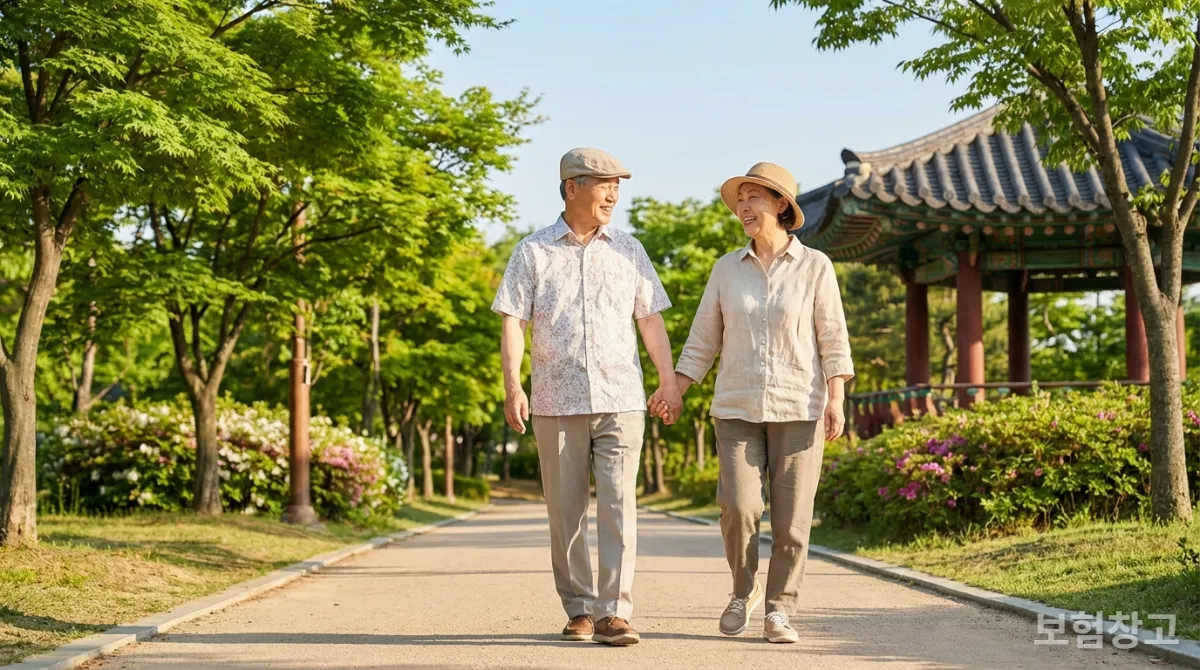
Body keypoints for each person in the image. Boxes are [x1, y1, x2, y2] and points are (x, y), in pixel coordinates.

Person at [650, 162, 853, 644]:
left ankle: (780, 609)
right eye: (739, 199)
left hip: (799, 405)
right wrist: (673, 388)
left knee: (793, 518)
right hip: (736, 406)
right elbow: (702, 340)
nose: (743, 206)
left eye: (754, 197)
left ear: (781, 205)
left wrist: (836, 397)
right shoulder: (725, 269)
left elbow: (833, 337)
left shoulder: (816, 267)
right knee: (738, 508)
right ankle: (743, 590)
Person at [492, 147, 682, 647]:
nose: (614, 193)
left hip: (622, 396)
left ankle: (614, 611)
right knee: (566, 510)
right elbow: (513, 321)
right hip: (556, 399)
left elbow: (651, 319)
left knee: (620, 505)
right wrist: (513, 385)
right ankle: (578, 608)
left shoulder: (629, 249)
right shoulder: (531, 251)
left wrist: (668, 380)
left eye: (618, 184)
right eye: (605, 183)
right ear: (572, 186)